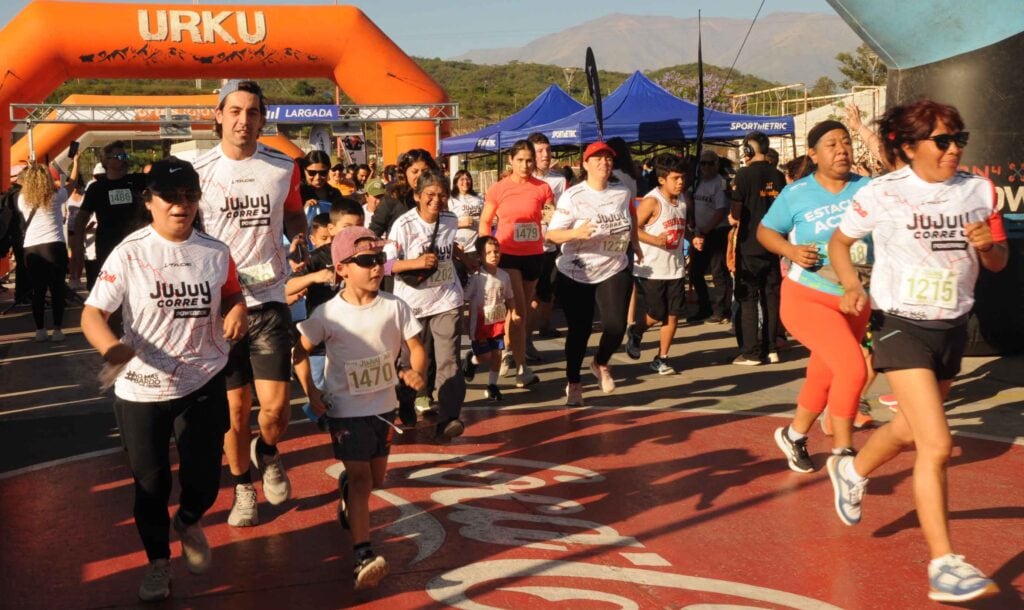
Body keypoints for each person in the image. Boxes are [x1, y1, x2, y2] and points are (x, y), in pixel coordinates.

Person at [826, 99, 1007, 603]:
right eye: (942, 141)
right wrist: (848, 286)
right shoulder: (883, 192)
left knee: (909, 429)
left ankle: (852, 470)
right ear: (909, 147)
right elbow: (841, 244)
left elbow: (996, 263)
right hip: (899, 324)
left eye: (959, 139)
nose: (954, 150)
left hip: (953, 326)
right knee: (938, 445)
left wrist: (988, 246)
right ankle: (945, 563)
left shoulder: (977, 190)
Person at [80, 158, 248, 602]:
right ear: (149, 202)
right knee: (150, 485)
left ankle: (190, 519)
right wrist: (112, 349)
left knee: (205, 481)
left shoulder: (216, 252)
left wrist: (236, 309)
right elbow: (93, 313)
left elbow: (232, 291)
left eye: (190, 197)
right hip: (141, 387)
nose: (181, 206)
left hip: (202, 377)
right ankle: (158, 563)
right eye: (171, 198)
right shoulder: (131, 252)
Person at [194, 79, 307, 527]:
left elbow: (295, 210)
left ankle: (270, 449)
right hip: (221, 308)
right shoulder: (198, 170)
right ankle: (242, 487)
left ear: (263, 119)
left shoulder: (282, 166)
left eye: (253, 112)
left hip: (270, 298)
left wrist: (297, 234)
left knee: (276, 411)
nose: (244, 120)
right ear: (218, 115)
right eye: (235, 111)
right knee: (235, 412)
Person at [294, 226, 426, 591]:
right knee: (363, 479)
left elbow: (416, 345)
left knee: (375, 481)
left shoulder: (395, 306)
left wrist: (417, 371)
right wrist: (312, 391)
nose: (376, 268)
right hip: (344, 410)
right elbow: (298, 351)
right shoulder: (327, 314)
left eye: (379, 260)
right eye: (366, 261)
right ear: (342, 269)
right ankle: (363, 553)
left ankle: (347, 489)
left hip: (384, 408)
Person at [756, 120, 872, 472]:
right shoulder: (796, 193)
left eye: (846, 142)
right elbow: (764, 231)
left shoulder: (869, 188)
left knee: (824, 376)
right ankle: (843, 453)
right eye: (832, 145)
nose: (842, 150)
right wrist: (790, 252)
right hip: (808, 295)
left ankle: (794, 435)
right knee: (853, 369)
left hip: (854, 298)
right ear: (813, 153)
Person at [547, 141, 639, 406]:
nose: (603, 163)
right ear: (584, 164)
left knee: (616, 326)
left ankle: (599, 362)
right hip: (578, 271)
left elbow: (630, 214)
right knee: (580, 330)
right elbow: (552, 234)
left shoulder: (622, 190)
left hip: (613, 266)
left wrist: (635, 243)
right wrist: (576, 233)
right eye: (596, 159)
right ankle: (574, 381)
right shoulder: (573, 196)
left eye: (608, 159)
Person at [387, 169, 466, 439]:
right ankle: (407, 400)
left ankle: (449, 417)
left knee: (449, 360)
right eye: (430, 195)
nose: (436, 200)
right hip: (411, 304)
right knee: (412, 361)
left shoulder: (451, 220)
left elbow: (449, 247)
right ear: (417, 196)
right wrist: (416, 263)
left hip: (447, 299)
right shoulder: (403, 225)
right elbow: (386, 264)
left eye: (442, 195)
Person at [478, 139, 552, 388]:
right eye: (520, 160)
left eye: (529, 160)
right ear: (511, 161)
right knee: (518, 310)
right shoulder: (499, 188)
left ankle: (510, 351)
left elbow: (551, 213)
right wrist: (485, 249)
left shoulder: (542, 188)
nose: (525, 165)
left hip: (534, 255)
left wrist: (552, 216)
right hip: (507, 254)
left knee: (520, 311)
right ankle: (522, 369)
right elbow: (486, 221)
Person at [627, 153, 687, 374]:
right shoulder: (652, 201)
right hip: (653, 268)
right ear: (662, 179)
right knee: (657, 313)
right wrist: (655, 240)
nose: (681, 182)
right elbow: (634, 228)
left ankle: (662, 358)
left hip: (676, 267)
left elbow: (682, 227)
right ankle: (636, 330)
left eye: (683, 177)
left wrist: (694, 236)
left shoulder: (683, 200)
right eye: (676, 178)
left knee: (673, 315)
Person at [730, 131, 786, 365]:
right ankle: (772, 348)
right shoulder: (778, 175)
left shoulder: (743, 175)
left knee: (749, 298)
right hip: (774, 243)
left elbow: (735, 214)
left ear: (748, 150)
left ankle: (751, 352)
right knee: (771, 298)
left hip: (750, 244)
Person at [71, 141, 147, 290]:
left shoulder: (138, 181)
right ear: (105, 161)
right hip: (109, 247)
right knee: (112, 289)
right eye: (119, 156)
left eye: (125, 155)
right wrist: (78, 247)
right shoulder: (96, 188)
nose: (124, 159)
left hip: (137, 246)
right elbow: (82, 218)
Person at [525, 132, 567, 362]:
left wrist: (556, 218)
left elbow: (564, 211)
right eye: (540, 151)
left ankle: (528, 339)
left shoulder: (558, 181)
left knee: (542, 296)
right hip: (525, 248)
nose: (546, 155)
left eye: (548, 150)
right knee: (524, 297)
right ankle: (517, 345)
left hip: (549, 246)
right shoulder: (521, 178)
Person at [17, 163, 70, 341]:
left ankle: (40, 330)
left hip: (32, 246)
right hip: (54, 245)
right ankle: (57, 330)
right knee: (57, 289)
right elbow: (71, 184)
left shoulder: (22, 199)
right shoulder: (56, 195)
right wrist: (75, 163)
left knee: (38, 290)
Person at [462, 235, 514, 400]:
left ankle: (492, 385)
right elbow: (465, 298)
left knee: (497, 354)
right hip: (480, 325)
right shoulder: (477, 277)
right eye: (489, 252)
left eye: (496, 252)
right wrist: (463, 318)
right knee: (486, 357)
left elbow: (509, 296)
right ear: (480, 256)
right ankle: (472, 360)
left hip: (497, 322)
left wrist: (514, 311)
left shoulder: (504, 276)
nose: (494, 255)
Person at [689, 149, 733, 324]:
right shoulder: (697, 181)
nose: (705, 167)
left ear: (716, 165)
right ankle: (704, 306)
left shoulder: (719, 183)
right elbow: (689, 199)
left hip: (716, 232)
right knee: (695, 272)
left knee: (718, 273)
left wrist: (706, 230)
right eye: (703, 163)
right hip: (699, 231)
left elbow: (721, 210)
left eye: (710, 163)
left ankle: (722, 309)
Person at [369, 149, 438, 239]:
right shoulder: (393, 196)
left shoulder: (438, 197)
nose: (420, 176)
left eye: (425, 171)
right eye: (414, 171)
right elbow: (373, 232)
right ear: (405, 173)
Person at [300, 150, 344, 228]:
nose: (318, 177)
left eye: (323, 173)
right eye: (312, 173)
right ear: (304, 170)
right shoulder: (297, 192)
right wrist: (302, 211)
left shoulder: (335, 194)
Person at [448, 169, 483, 265]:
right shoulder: (450, 199)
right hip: (458, 245)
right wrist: (459, 223)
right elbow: (443, 222)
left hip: (475, 245)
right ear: (456, 182)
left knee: (476, 274)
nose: (465, 182)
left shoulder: (479, 197)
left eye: (468, 179)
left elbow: (486, 218)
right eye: (462, 179)